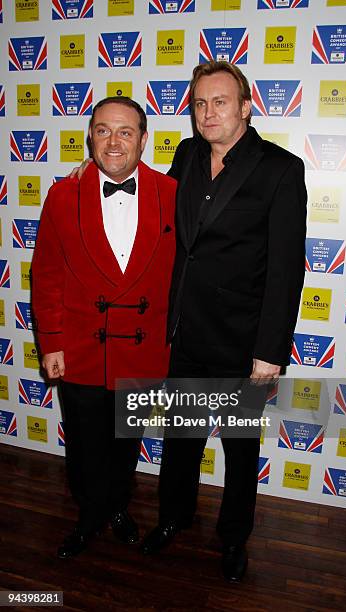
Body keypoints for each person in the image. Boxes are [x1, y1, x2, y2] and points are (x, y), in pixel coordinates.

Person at [72, 61, 307, 582]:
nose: (208, 113)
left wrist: (270, 351)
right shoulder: (186, 154)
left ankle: (233, 538)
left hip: (243, 342)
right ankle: (174, 518)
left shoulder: (280, 169)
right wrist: (92, 170)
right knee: (181, 441)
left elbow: (288, 269)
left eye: (220, 101)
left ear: (246, 107)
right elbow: (149, 194)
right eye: (200, 103)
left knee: (240, 449)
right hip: (182, 332)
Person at [31, 96, 176, 559]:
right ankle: (88, 515)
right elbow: (47, 275)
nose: (114, 141)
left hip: (142, 349)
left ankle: (117, 507)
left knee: (125, 443)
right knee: (84, 445)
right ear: (90, 136)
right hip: (80, 350)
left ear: (143, 139)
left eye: (126, 131)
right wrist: (50, 344)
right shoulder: (61, 193)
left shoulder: (173, 193)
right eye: (103, 130)